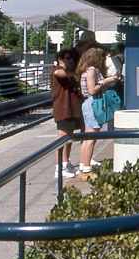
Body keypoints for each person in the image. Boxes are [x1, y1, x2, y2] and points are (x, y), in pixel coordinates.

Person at [76, 47, 119, 176]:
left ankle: (83, 165)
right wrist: (107, 81)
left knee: (88, 137)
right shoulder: (92, 71)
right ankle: (87, 168)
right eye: (103, 58)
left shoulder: (87, 70)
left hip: (89, 103)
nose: (104, 61)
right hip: (93, 103)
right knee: (92, 137)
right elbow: (92, 90)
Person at [51, 49, 82, 179]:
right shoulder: (56, 70)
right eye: (66, 58)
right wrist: (73, 72)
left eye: (71, 58)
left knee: (69, 138)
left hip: (72, 109)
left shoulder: (72, 73)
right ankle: (59, 166)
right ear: (60, 59)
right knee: (62, 137)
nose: (70, 61)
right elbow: (60, 73)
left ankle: (65, 161)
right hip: (62, 109)